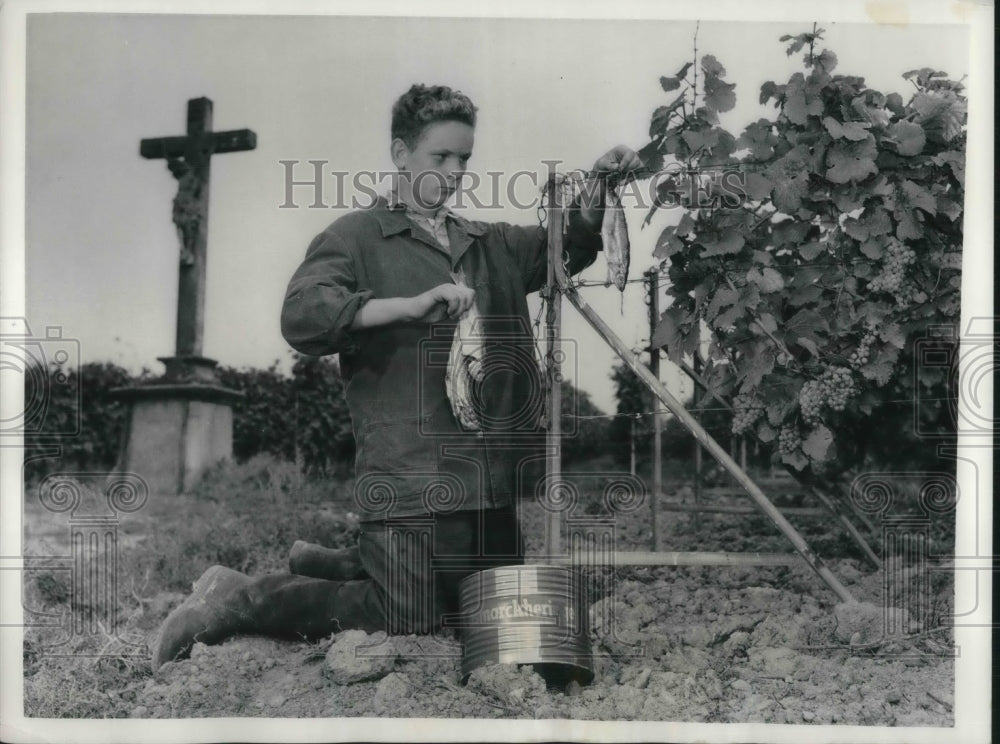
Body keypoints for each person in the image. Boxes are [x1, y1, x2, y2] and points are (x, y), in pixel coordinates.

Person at [151, 84, 642, 668]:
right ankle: (240, 596)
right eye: (440, 158)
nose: (456, 172)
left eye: (464, 159)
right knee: (406, 617)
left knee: (480, 616)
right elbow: (303, 316)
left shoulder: (491, 245)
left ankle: (345, 560)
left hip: (486, 481)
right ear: (401, 154)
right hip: (404, 476)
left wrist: (598, 186)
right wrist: (406, 306)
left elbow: (567, 247)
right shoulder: (356, 237)